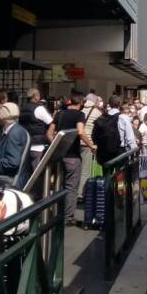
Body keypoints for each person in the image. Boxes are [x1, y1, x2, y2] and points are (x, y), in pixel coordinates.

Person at [47, 92, 96, 225]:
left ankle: (56, 212)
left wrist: (57, 147)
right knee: (71, 187)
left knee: (59, 184)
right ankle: (68, 217)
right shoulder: (80, 115)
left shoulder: (59, 113)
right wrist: (91, 146)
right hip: (73, 156)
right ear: (81, 103)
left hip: (59, 156)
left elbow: (50, 133)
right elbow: (80, 132)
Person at [0, 102, 29, 181]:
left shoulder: (14, 133)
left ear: (3, 117)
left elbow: (13, 162)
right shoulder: (14, 130)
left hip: (7, 181)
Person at [77, 95, 103, 201]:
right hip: (88, 143)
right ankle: (81, 194)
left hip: (75, 141)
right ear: (95, 101)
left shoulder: (80, 108)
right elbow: (100, 128)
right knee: (85, 171)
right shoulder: (97, 112)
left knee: (76, 169)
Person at [19, 88, 52, 170]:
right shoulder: (39, 109)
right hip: (38, 146)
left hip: (25, 145)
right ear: (36, 97)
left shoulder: (22, 108)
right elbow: (51, 122)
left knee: (26, 173)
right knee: (36, 173)